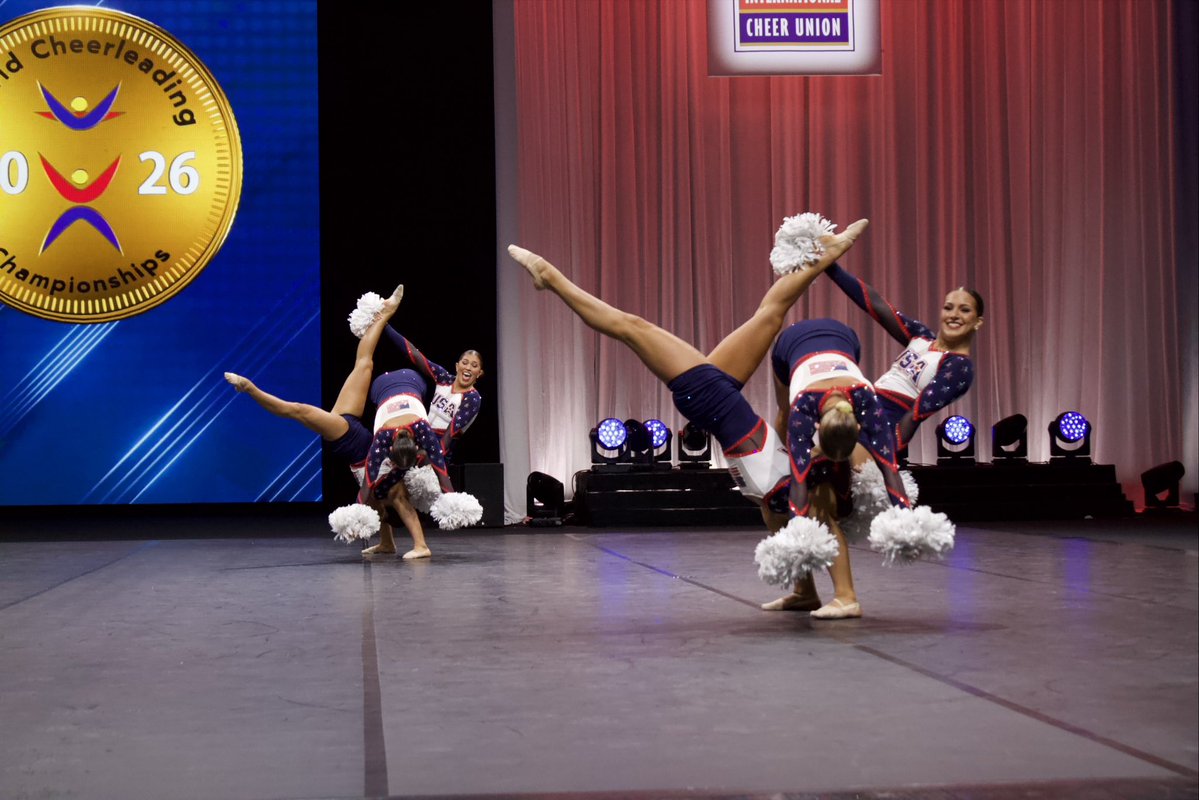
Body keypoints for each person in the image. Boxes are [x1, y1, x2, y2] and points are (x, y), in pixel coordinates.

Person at [506, 215, 869, 520]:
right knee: (770, 316)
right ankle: (825, 255)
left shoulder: (787, 486)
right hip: (719, 397)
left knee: (631, 327)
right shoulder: (797, 474)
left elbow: (798, 500)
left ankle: (549, 277)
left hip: (708, 400)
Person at [224, 285, 442, 560]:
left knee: (355, 371)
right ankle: (384, 313)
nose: (379, 512)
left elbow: (380, 509)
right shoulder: (393, 493)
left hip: (351, 433)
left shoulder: (381, 493)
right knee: (311, 403)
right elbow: (402, 509)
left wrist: (384, 539)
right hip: (350, 438)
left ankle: (250, 388)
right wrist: (420, 546)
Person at [760, 318, 919, 619]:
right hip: (789, 346)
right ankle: (804, 592)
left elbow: (890, 469)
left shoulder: (867, 403)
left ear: (859, 426)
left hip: (845, 340)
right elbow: (798, 475)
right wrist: (798, 531)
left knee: (820, 504)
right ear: (815, 428)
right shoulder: (801, 410)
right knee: (780, 500)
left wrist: (907, 521)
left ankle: (846, 598)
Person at [823, 262, 983, 451]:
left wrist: (885, 454)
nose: (954, 315)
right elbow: (876, 304)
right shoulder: (922, 337)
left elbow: (915, 415)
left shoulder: (959, 366)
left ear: (977, 322)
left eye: (964, 310)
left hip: (878, 428)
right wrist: (829, 266)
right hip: (859, 409)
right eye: (948, 308)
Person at [381, 326, 483, 463]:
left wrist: (431, 459)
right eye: (465, 363)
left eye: (474, 365)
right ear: (457, 366)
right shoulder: (444, 379)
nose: (468, 368)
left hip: (440, 449)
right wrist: (385, 326)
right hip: (421, 437)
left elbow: (450, 434)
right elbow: (415, 355)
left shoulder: (473, 398)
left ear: (479, 373)